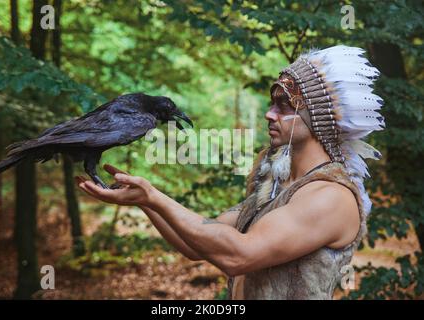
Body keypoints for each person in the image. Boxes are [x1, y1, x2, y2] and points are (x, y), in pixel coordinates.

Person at [76, 45, 385, 299]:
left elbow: (239, 256)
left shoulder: (331, 197)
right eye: (271, 102)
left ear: (317, 118)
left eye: (284, 105)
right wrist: (145, 200)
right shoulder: (275, 184)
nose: (269, 113)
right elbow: (195, 244)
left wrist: (154, 196)